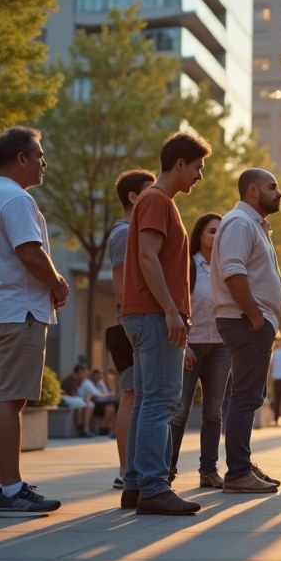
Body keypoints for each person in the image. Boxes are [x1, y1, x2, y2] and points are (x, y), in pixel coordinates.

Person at [0, 126, 67, 516]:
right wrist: (58, 284)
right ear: (22, 158)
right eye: (40, 154)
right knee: (11, 402)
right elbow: (30, 252)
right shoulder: (15, 198)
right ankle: (10, 489)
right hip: (19, 310)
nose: (44, 162)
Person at [120, 131, 210, 516]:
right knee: (161, 402)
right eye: (197, 167)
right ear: (179, 164)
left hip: (145, 314)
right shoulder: (158, 201)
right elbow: (148, 259)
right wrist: (173, 312)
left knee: (145, 402)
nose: (199, 176)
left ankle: (137, 485)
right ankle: (154, 488)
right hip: (156, 315)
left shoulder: (156, 201)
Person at [212, 168, 281, 494]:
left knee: (246, 396)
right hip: (246, 322)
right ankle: (238, 473)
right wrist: (257, 317)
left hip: (250, 322)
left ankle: (241, 466)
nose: (279, 192)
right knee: (245, 397)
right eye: (273, 187)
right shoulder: (240, 223)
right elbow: (233, 271)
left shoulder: (253, 225)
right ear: (253, 191)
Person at [169, 212, 231, 489]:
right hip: (190, 346)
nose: (217, 236)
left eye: (221, 231)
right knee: (180, 411)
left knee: (213, 413)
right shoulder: (188, 266)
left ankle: (209, 471)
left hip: (220, 347)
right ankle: (166, 471)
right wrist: (183, 346)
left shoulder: (228, 268)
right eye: (212, 231)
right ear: (200, 236)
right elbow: (179, 307)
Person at [108, 169, 155, 489]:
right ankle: (126, 470)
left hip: (134, 321)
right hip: (129, 323)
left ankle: (134, 468)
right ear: (133, 197)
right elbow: (120, 285)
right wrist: (133, 322)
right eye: (150, 192)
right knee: (130, 395)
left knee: (138, 395)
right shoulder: (124, 232)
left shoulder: (135, 231)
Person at [78, 369, 117, 435]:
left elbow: (105, 393)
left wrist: (105, 393)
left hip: (100, 402)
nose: (98, 377)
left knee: (113, 406)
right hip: (92, 402)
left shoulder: (100, 382)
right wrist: (106, 395)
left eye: (99, 376)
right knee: (110, 406)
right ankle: (102, 427)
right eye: (96, 375)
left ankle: (106, 427)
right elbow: (97, 394)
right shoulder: (88, 383)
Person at [60, 365, 95, 437]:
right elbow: (72, 394)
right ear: (78, 372)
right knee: (81, 403)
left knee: (88, 404)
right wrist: (84, 400)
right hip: (64, 398)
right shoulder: (71, 379)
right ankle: (82, 428)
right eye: (83, 373)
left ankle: (85, 428)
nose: (84, 375)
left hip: (71, 398)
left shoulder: (79, 380)